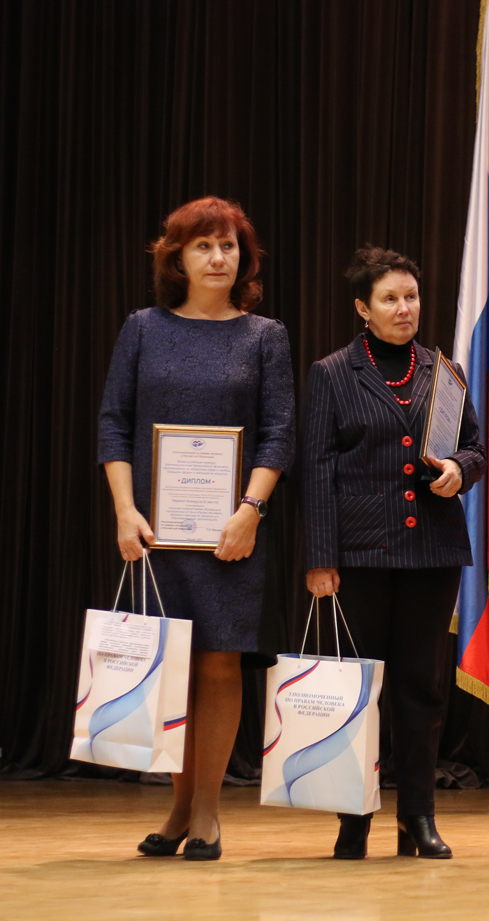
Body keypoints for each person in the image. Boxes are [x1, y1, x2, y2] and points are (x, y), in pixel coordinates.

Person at [98, 196, 296, 861]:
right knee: (172, 665)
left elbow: (279, 432)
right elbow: (113, 424)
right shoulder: (143, 328)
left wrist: (250, 511)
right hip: (156, 530)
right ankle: (181, 806)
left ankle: (207, 809)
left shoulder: (265, 335)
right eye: (203, 246)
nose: (218, 257)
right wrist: (124, 510)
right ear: (176, 258)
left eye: (229, 245)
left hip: (232, 531)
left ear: (244, 257)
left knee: (219, 662)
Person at [303, 247, 486, 860]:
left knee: (421, 688)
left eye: (411, 296)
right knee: (358, 688)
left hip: (430, 551)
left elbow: (475, 448)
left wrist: (459, 471)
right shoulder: (333, 373)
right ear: (363, 308)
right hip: (359, 555)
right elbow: (316, 470)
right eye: (390, 299)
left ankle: (417, 818)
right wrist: (320, 558)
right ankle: (352, 819)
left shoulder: (444, 371)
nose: (404, 308)